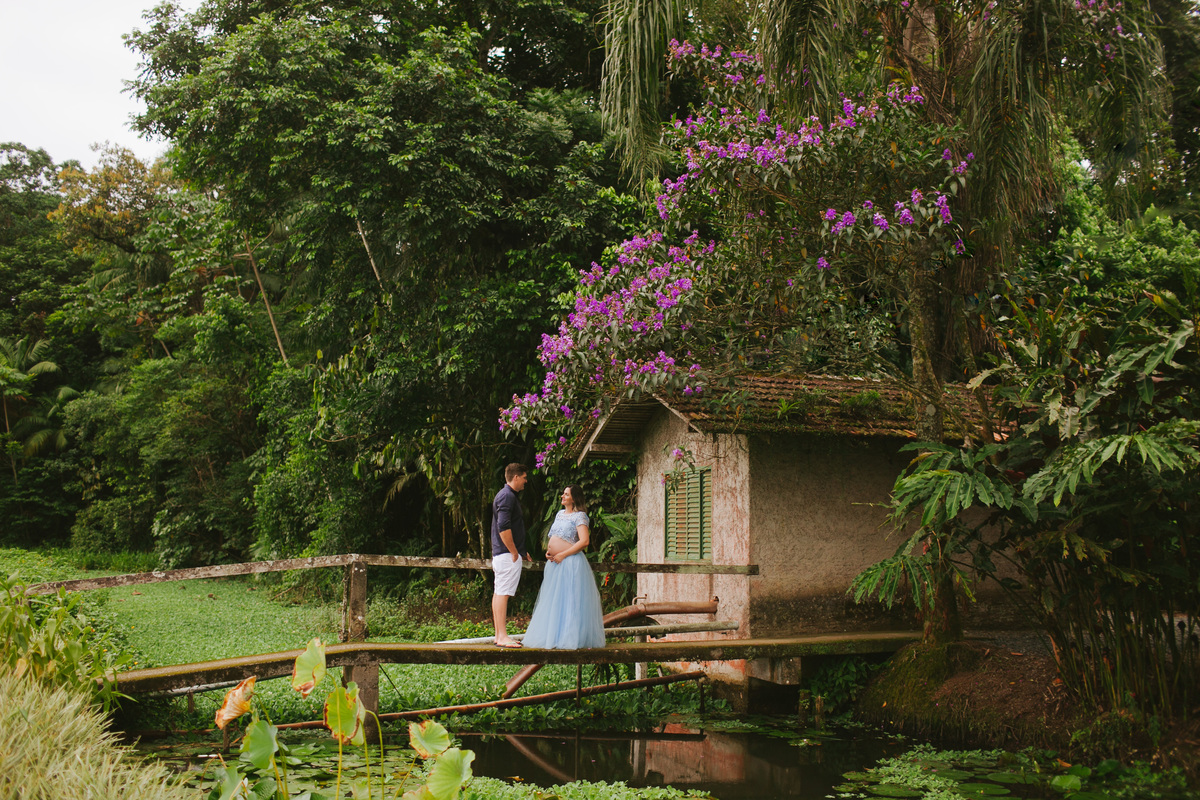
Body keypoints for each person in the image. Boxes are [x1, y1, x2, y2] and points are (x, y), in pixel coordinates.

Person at [522, 485, 606, 649]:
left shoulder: (580, 516)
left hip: (570, 563)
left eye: (566, 494)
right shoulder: (560, 514)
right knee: (554, 600)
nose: (562, 496)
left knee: (569, 599)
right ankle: (553, 636)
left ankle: (569, 638)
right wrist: (550, 552)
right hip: (555, 563)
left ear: (574, 498)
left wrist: (563, 554)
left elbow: (584, 541)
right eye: (563, 493)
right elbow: (556, 536)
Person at [491, 463, 530, 648]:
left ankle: (499, 635)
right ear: (516, 477)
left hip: (505, 553)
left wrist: (521, 550)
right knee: (503, 594)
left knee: (499, 593)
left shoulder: (506, 496)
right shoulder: (507, 496)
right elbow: (503, 527)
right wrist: (514, 551)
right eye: (524, 477)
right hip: (507, 554)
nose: (526, 481)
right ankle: (503, 636)